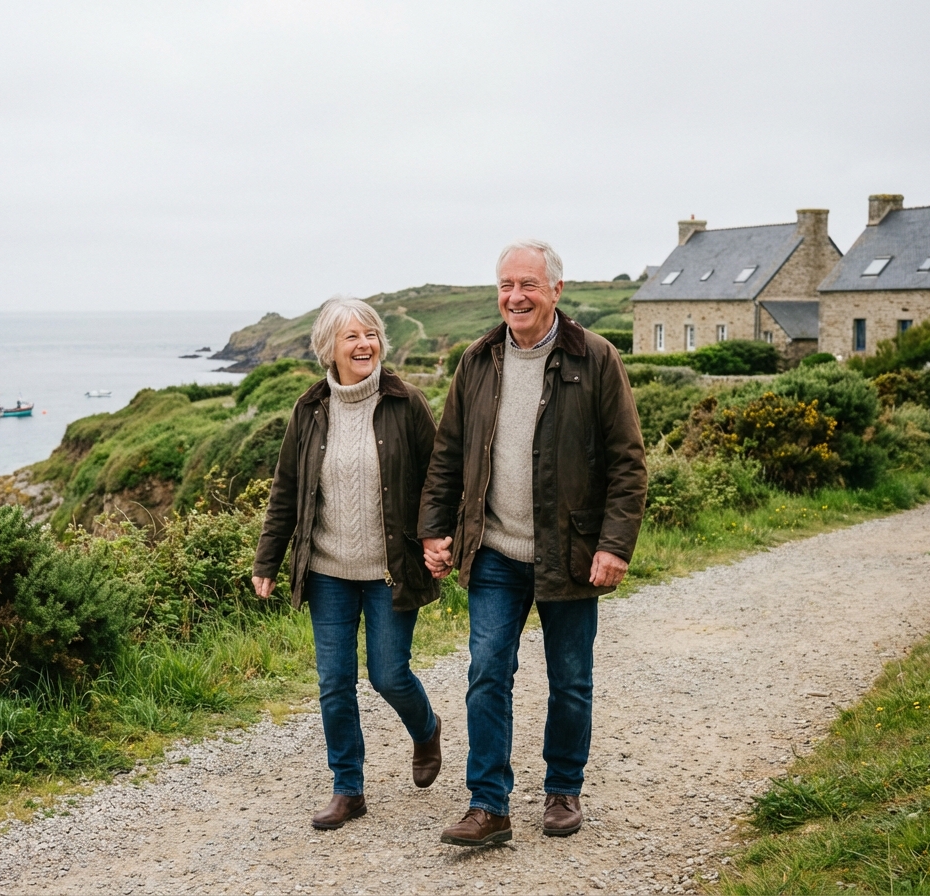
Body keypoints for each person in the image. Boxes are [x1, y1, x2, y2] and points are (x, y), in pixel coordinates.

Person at [419, 240, 647, 846]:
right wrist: (434, 529)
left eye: (528, 285)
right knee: (487, 673)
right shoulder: (477, 360)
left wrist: (614, 545)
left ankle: (563, 789)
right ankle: (488, 805)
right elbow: (448, 454)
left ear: (556, 291)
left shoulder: (596, 357)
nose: (515, 297)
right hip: (494, 551)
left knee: (570, 680)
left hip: (570, 552)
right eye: (506, 285)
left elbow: (627, 463)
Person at [252, 297, 444, 830]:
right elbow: (286, 489)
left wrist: (439, 538)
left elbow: (438, 478)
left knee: (389, 675)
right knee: (335, 683)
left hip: (389, 570)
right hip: (327, 571)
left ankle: (427, 729)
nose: (364, 345)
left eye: (371, 334)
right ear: (329, 349)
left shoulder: (407, 403)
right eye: (351, 337)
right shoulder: (309, 409)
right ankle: (348, 789)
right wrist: (268, 559)